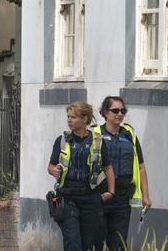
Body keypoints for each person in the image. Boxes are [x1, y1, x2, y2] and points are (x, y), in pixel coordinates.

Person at [47, 101, 116, 251]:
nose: (69, 120)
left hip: (90, 198)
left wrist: (111, 191)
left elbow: (108, 167)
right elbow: (51, 165)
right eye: (68, 116)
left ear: (84, 119)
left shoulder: (98, 141)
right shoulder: (62, 140)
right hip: (67, 197)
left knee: (89, 243)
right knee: (72, 242)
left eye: (73, 117)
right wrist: (54, 170)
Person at [92, 96, 151, 250]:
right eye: (115, 110)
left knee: (118, 243)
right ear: (105, 112)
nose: (119, 114)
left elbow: (141, 167)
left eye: (122, 111)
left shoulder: (129, 135)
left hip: (122, 198)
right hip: (100, 196)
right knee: (95, 241)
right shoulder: (95, 134)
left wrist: (146, 196)